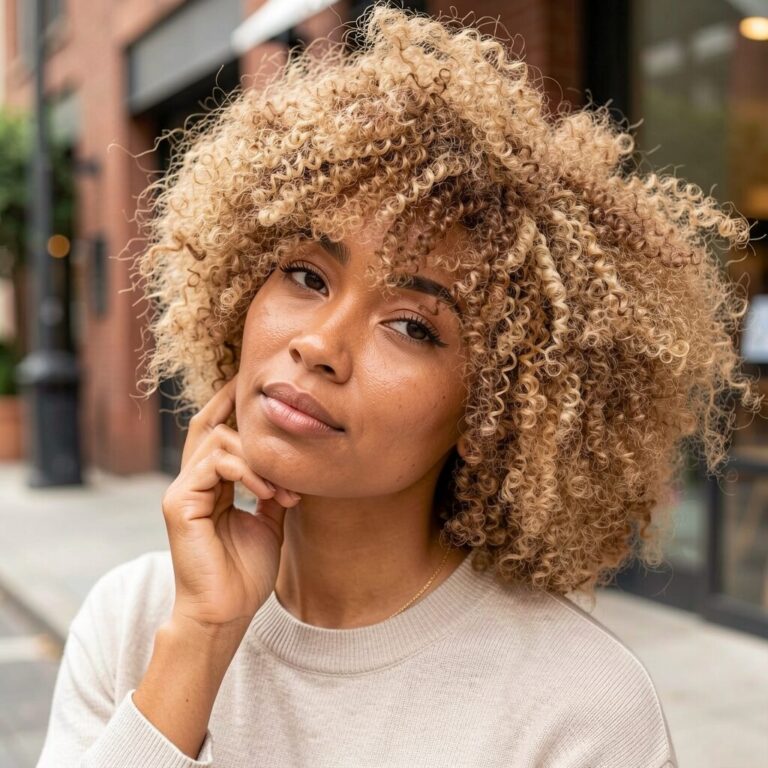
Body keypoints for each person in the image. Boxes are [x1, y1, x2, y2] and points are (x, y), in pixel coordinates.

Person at [36, 5, 761, 767]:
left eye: (413, 326)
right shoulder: (136, 622)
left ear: (493, 408)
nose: (318, 344)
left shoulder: (580, 710)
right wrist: (203, 638)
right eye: (306, 275)